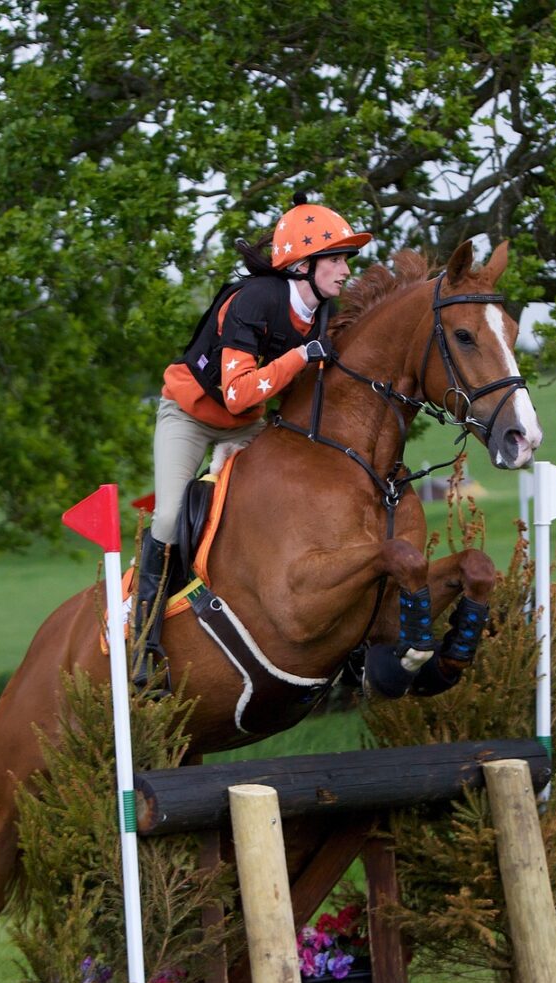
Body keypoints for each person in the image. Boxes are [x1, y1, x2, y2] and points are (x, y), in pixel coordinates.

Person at [133, 192, 373, 688]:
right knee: (170, 514)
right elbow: (239, 394)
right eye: (335, 259)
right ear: (303, 266)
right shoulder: (255, 300)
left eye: (346, 259)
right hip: (190, 415)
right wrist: (302, 356)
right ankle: (143, 637)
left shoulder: (323, 309)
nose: (345, 270)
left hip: (248, 424)